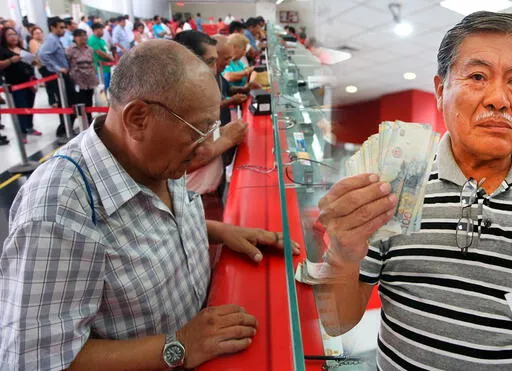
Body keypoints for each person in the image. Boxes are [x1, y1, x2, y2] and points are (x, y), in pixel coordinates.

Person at [316, 11, 512, 371]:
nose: (499, 98)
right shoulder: (395, 185)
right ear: (440, 89)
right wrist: (342, 252)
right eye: (477, 76)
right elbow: (336, 321)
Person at [0, 39, 299, 370]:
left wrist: (214, 229)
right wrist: (179, 345)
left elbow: (141, 230)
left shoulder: (155, 154)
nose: (204, 146)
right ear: (138, 118)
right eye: (198, 131)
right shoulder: (56, 211)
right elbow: (32, 360)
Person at [175, 31, 248, 220]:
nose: (216, 70)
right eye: (210, 62)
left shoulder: (199, 94)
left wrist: (224, 131)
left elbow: (204, 139)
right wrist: (228, 139)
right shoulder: (178, 103)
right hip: (194, 199)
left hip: (209, 194)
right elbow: (180, 164)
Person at [38, 16, 76, 138]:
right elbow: (43, 54)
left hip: (64, 75)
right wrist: (57, 68)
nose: (63, 30)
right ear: (52, 27)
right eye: (60, 27)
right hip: (60, 77)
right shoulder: (51, 40)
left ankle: (67, 128)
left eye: (64, 27)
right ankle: (63, 130)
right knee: (65, 103)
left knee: (69, 102)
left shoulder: (56, 39)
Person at [0, 27, 40, 141]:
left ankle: (30, 127)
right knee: (20, 107)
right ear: (4, 37)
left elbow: (33, 61)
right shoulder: (3, 50)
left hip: (29, 81)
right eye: (9, 35)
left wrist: (33, 60)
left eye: (14, 34)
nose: (13, 37)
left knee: (29, 105)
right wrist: (11, 60)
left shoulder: (22, 48)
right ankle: (22, 132)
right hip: (15, 84)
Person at [66, 29, 99, 122]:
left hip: (90, 78)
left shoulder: (90, 49)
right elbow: (67, 63)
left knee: (89, 100)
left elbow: (92, 63)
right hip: (78, 79)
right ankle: (82, 121)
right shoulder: (70, 50)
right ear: (75, 38)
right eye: (80, 36)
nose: (83, 38)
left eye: (84, 35)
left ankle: (89, 119)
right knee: (80, 100)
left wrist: (95, 77)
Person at [88, 23, 115, 90]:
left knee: (109, 87)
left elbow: (107, 51)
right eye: (101, 30)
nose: (103, 32)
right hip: (100, 68)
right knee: (103, 88)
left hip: (107, 67)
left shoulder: (102, 40)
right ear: (95, 30)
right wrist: (111, 58)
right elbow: (99, 52)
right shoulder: (93, 39)